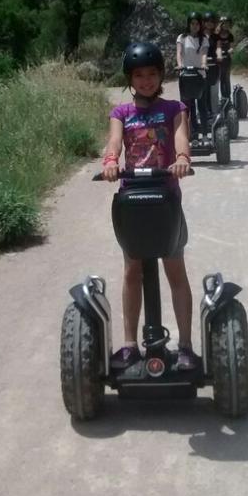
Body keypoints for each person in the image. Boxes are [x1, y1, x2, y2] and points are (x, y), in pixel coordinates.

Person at [102, 41, 197, 371]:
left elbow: (181, 137)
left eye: (152, 74)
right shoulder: (121, 113)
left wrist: (183, 158)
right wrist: (112, 161)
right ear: (130, 78)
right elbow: (114, 140)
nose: (146, 80)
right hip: (133, 200)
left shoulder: (174, 108)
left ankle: (185, 345)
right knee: (132, 271)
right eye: (139, 75)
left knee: (175, 269)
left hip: (166, 198)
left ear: (161, 75)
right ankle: (130, 344)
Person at [176, 12, 209, 139]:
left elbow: (204, 54)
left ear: (200, 25)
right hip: (185, 75)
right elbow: (179, 52)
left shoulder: (204, 39)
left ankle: (205, 133)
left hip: (200, 74)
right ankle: (192, 134)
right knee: (188, 107)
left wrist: (204, 64)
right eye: (192, 23)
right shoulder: (182, 38)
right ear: (189, 24)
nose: (195, 26)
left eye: (197, 24)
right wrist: (179, 65)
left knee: (202, 106)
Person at [202, 10, 220, 117]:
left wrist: (219, 55)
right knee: (204, 90)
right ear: (204, 22)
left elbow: (218, 47)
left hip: (213, 64)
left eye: (212, 21)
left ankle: (215, 111)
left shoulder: (216, 36)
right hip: (202, 65)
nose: (209, 23)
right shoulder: (200, 36)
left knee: (213, 89)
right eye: (207, 21)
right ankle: (205, 112)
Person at [216, 15, 235, 100]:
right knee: (221, 78)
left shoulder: (230, 35)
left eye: (228, 23)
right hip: (219, 59)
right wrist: (219, 55)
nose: (226, 25)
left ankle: (228, 96)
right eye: (224, 23)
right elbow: (218, 46)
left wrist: (231, 50)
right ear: (221, 24)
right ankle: (223, 97)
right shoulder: (217, 35)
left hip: (227, 59)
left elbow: (231, 46)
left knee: (227, 77)